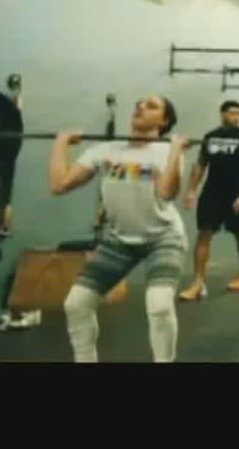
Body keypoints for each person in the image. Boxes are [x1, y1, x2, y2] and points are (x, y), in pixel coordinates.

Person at [46, 94, 187, 363]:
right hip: (119, 239)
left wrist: (176, 151)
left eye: (151, 106)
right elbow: (58, 185)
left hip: (163, 238)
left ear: (164, 120)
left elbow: (167, 193)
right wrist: (61, 143)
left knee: (159, 305)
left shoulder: (168, 151)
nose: (141, 107)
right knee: (76, 304)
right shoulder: (105, 150)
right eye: (139, 103)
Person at [180, 100, 239, 301]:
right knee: (204, 233)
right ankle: (198, 283)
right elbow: (200, 165)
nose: (236, 117)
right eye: (232, 113)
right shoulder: (210, 137)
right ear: (222, 114)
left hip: (236, 193)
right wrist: (191, 191)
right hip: (212, 192)